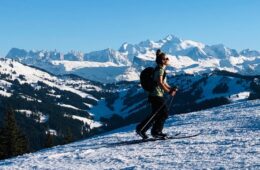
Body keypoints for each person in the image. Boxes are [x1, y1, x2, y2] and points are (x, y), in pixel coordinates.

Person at [136, 49, 177, 139]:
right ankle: (156, 131)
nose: (168, 59)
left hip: (154, 95)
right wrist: (169, 91)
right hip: (156, 95)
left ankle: (142, 129)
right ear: (163, 60)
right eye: (166, 58)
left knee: (156, 113)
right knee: (163, 113)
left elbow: (163, 83)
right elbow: (160, 83)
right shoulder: (160, 70)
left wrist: (171, 88)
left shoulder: (159, 69)